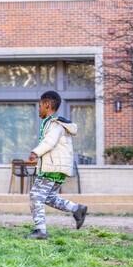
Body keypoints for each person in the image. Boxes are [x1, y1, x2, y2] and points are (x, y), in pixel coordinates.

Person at [24, 90, 87, 240]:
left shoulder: (53, 124)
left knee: (35, 196)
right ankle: (76, 209)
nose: (38, 109)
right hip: (58, 168)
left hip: (52, 169)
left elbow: (49, 142)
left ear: (46, 105)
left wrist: (36, 152)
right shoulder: (56, 124)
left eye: (39, 106)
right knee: (48, 197)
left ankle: (41, 231)